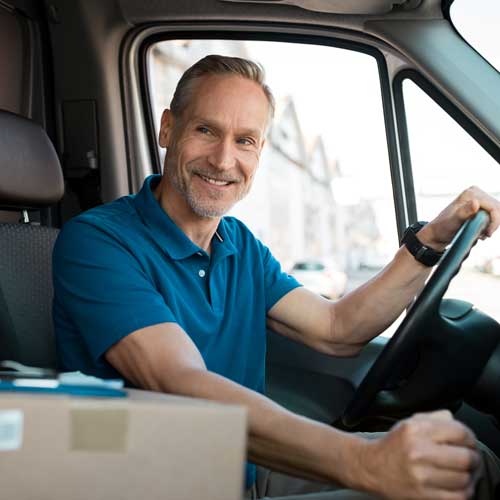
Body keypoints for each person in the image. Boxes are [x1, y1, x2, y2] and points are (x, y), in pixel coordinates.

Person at [53, 55, 500, 500]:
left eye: (245, 140)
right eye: (206, 130)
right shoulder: (98, 242)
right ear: (168, 128)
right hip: (160, 485)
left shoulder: (239, 244)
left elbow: (339, 329)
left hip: (242, 473)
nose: (224, 160)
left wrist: (431, 242)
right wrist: (364, 462)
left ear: (259, 152)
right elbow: (179, 383)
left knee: (467, 468)